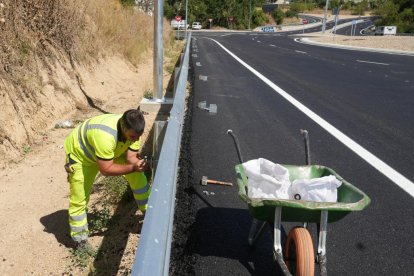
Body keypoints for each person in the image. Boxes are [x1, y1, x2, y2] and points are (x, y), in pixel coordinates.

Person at [63, 109, 150, 251]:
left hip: (109, 152)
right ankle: (80, 240)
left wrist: (138, 165)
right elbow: (106, 169)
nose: (135, 139)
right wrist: (133, 168)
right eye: (132, 137)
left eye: (137, 137)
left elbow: (130, 158)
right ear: (123, 126)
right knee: (80, 196)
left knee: (137, 176)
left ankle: (149, 212)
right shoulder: (105, 136)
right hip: (82, 156)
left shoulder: (134, 131)